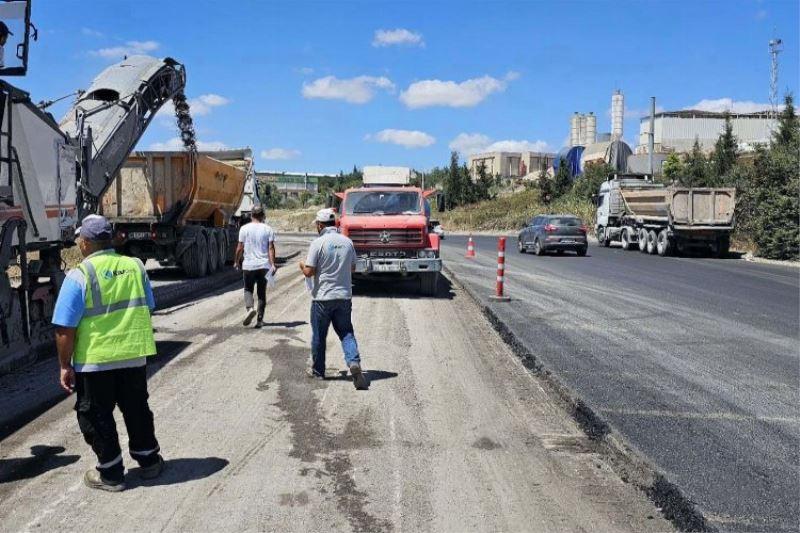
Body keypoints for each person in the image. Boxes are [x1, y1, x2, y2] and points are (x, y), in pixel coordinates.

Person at [53, 215, 163, 492]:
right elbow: (147, 306)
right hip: (134, 355)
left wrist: (64, 365)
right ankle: (149, 462)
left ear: (86, 243)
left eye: (80, 239)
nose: (78, 243)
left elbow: (65, 329)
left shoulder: (80, 275)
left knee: (95, 415)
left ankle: (111, 473)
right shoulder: (135, 267)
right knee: (136, 408)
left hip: (96, 361)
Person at [299, 209, 368, 390]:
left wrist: (301, 266)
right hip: (344, 297)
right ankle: (353, 362)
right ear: (334, 224)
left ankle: (318, 371)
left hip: (322, 298)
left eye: (317, 224)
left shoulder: (318, 243)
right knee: (346, 332)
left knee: (319, 336)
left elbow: (309, 271)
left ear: (320, 225)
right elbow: (353, 268)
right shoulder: (347, 242)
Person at [235, 206, 276, 328]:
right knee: (261, 292)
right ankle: (259, 320)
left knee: (248, 289)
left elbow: (240, 247)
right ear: (263, 216)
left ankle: (250, 309)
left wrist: (236, 261)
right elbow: (271, 247)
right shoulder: (268, 229)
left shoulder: (244, 229)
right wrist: (273, 264)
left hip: (248, 265)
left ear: (251, 215)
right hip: (264, 265)